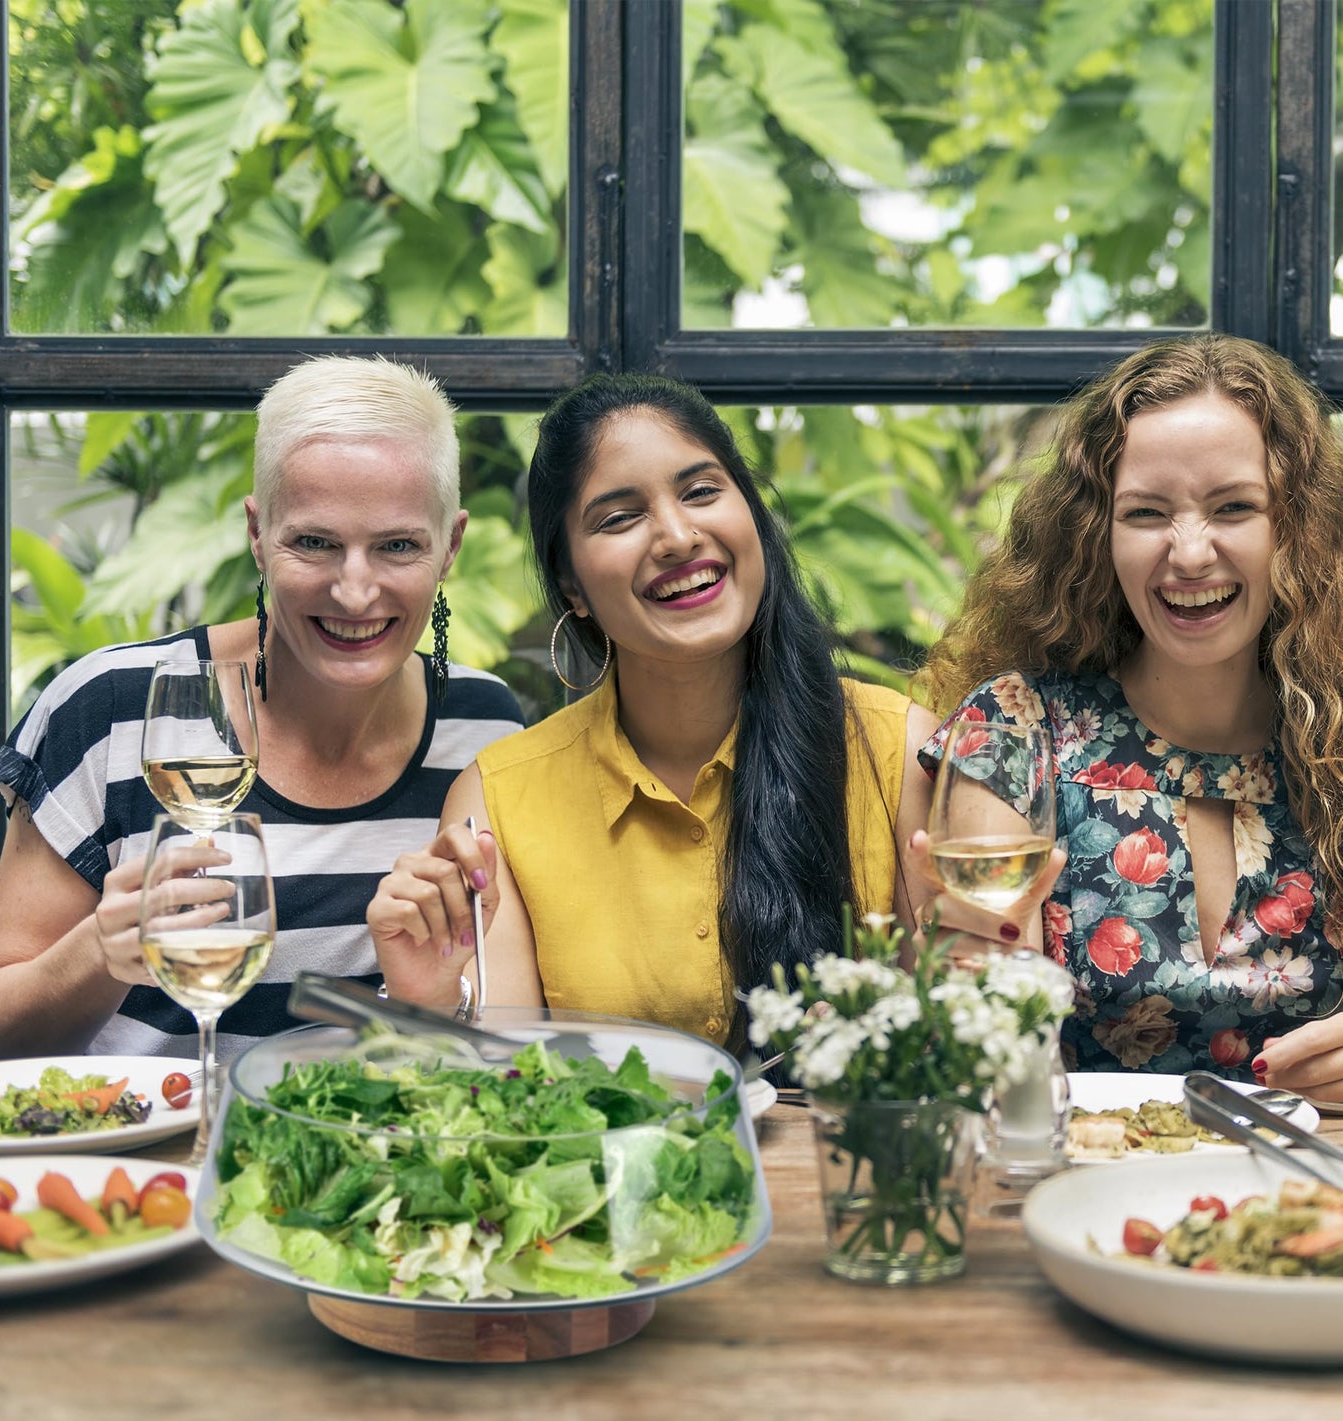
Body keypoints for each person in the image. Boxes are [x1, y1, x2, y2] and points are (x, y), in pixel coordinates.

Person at [0, 356, 525, 1061]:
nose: (354, 591)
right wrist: (98, 954)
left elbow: (481, 1056)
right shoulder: (109, 708)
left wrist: (428, 1001)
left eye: (398, 545)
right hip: (134, 1163)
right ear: (257, 535)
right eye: (313, 542)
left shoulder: (487, 728)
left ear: (451, 547)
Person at [367, 371, 942, 1051]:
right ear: (571, 585)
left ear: (752, 516)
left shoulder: (895, 750)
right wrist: (433, 999)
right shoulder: (501, 798)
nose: (674, 536)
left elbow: (949, 1061)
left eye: (701, 492)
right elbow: (504, 1084)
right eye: (619, 517)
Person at [919, 333, 1343, 1099]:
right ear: (1096, 535)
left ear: (1296, 528)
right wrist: (959, 990)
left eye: (1233, 507)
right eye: (1146, 512)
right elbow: (972, 1026)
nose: (1188, 553)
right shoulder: (1015, 727)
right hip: (1081, 1186)